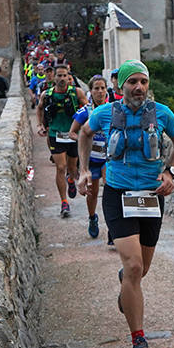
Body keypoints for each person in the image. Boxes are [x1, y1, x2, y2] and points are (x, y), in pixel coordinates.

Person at [76, 60, 174, 348]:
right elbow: (84, 134)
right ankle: (139, 341)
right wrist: (84, 171)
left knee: (141, 270)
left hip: (152, 196)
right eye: (132, 82)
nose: (138, 87)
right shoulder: (104, 113)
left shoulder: (163, 114)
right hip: (117, 195)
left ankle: (126, 282)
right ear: (119, 86)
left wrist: (170, 172)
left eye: (143, 82)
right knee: (135, 265)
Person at [37, 65, 87, 217]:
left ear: (68, 77)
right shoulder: (47, 94)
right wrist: (40, 125)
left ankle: (71, 179)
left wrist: (86, 128)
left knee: (72, 168)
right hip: (55, 134)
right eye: (59, 75)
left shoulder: (77, 93)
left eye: (65, 76)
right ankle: (64, 202)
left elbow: (87, 109)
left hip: (72, 135)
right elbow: (39, 108)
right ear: (54, 77)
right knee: (61, 167)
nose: (62, 79)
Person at [69, 75, 110, 241]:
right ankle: (93, 218)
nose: (100, 92)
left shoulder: (113, 110)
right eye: (96, 88)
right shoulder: (85, 111)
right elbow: (72, 132)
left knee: (111, 190)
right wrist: (83, 139)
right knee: (92, 193)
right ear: (90, 91)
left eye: (102, 88)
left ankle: (113, 228)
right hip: (91, 159)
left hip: (108, 158)